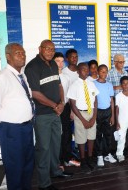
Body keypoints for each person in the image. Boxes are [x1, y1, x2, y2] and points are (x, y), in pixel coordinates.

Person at [25, 40, 72, 190]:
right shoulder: (32, 67)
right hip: (43, 115)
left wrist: (62, 103)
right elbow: (35, 93)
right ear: (40, 49)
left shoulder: (52, 64)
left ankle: (56, 171)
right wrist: (55, 106)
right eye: (47, 49)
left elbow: (59, 85)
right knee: (43, 148)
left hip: (56, 112)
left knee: (55, 145)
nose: (50, 52)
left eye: (53, 49)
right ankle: (44, 183)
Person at [0, 43, 34, 190]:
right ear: (8, 56)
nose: (22, 56)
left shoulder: (21, 75)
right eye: (18, 53)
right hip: (11, 130)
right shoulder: (2, 78)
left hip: (26, 127)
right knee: (15, 167)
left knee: (27, 165)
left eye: (23, 53)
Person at [67, 63, 99, 173]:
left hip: (91, 113)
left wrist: (94, 117)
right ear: (78, 72)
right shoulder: (74, 85)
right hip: (80, 114)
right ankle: (83, 159)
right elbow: (72, 104)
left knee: (91, 137)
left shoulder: (91, 84)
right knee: (81, 138)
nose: (86, 71)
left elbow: (95, 100)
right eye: (83, 70)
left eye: (87, 69)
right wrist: (83, 120)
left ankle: (90, 158)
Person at [53, 52, 80, 168]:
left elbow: (69, 95)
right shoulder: (51, 76)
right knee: (56, 135)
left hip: (66, 108)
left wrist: (71, 111)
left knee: (67, 133)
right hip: (54, 108)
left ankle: (67, 158)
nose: (60, 63)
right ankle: (57, 161)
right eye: (57, 61)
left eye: (61, 61)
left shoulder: (66, 77)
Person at [94, 64, 117, 167]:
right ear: (98, 72)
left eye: (106, 71)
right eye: (102, 71)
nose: (104, 73)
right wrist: (94, 114)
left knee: (108, 134)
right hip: (97, 112)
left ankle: (107, 154)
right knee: (98, 134)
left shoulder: (109, 85)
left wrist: (112, 115)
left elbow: (111, 100)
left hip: (107, 112)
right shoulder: (93, 84)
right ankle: (99, 156)